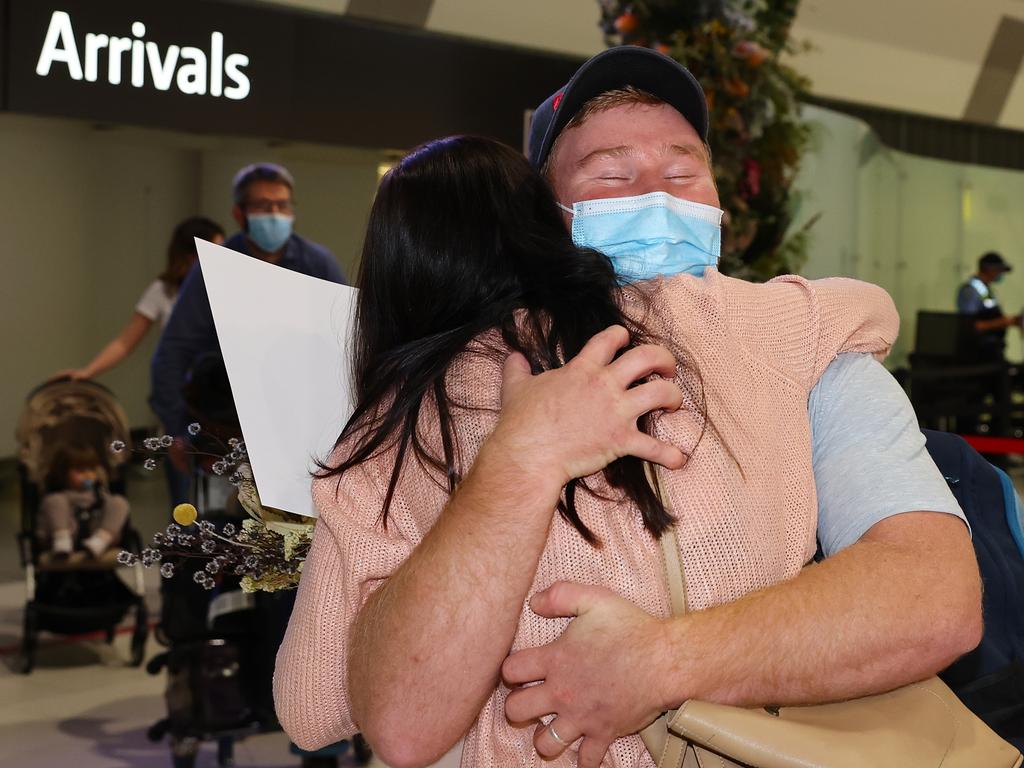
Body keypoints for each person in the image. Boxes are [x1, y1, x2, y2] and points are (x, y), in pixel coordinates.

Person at [273, 129, 976, 768]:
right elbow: (867, 309)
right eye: (613, 179)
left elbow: (315, 710)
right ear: (548, 217)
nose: (654, 200)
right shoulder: (752, 331)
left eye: (682, 173)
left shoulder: (395, 426)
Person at [150, 163, 347, 502]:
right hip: (222, 423)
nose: (275, 213)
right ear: (239, 214)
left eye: (282, 205)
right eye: (262, 206)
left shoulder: (317, 263)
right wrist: (177, 430)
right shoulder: (215, 267)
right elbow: (173, 351)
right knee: (212, 530)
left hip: (297, 428)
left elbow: (345, 345)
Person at [52, 217, 225, 381]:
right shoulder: (164, 290)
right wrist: (88, 372)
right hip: (180, 390)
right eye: (213, 251)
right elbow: (124, 343)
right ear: (190, 257)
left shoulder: (227, 289)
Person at [38, 443, 129, 558]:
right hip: (62, 534)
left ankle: (101, 540)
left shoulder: (99, 494)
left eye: (92, 470)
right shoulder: (58, 497)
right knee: (55, 502)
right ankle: (62, 540)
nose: (88, 475)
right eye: (80, 471)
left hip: (96, 534)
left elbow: (110, 508)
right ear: (63, 472)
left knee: (118, 502)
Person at [957, 251, 1021, 362]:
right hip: (978, 354)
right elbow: (970, 325)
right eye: (999, 270)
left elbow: (989, 314)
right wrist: (1002, 322)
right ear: (989, 269)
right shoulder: (970, 291)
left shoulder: (984, 289)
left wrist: (1009, 321)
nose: (1000, 274)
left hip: (991, 350)